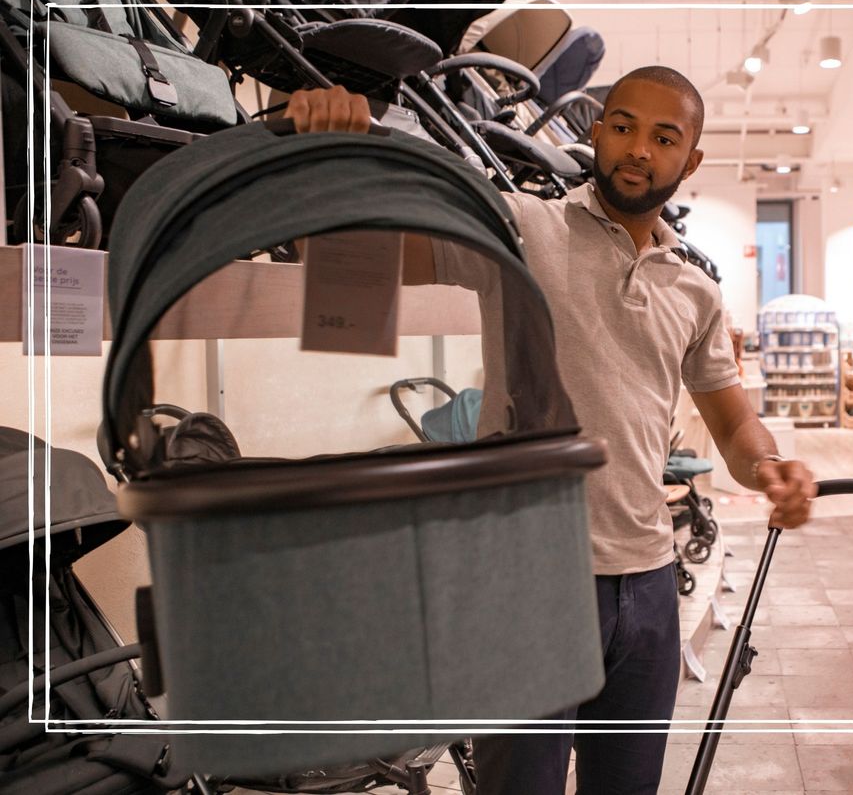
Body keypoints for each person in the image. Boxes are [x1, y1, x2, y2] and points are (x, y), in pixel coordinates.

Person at [285, 73, 817, 795]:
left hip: (651, 582)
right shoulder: (521, 226)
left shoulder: (693, 288)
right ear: (596, 131)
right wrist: (334, 153)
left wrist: (769, 466)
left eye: (664, 138)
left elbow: (731, 421)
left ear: (690, 161)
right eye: (623, 126)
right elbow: (378, 255)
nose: (638, 149)